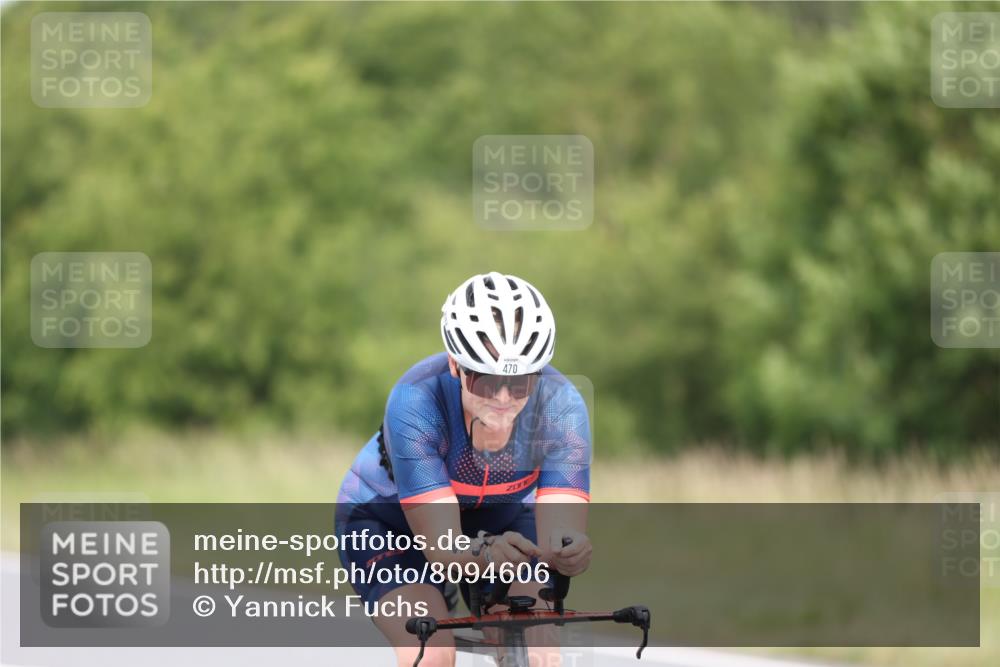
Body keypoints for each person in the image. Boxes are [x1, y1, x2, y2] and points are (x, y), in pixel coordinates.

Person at [335, 271, 593, 667]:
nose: (504, 399)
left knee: (537, 648)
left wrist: (568, 553)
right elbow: (442, 547)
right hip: (390, 524)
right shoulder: (416, 400)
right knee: (432, 650)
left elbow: (558, 534)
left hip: (502, 518)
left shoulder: (563, 408)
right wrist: (483, 554)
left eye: (521, 382)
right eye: (486, 381)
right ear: (456, 365)